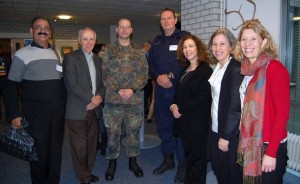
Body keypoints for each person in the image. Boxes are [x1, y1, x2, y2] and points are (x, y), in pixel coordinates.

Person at [6, 16, 66, 184]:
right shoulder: (21, 54)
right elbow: (10, 87)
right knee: (38, 151)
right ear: (31, 31)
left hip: (56, 111)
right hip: (35, 113)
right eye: (38, 27)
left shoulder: (55, 53)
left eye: (46, 27)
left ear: (50, 32)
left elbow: (59, 81)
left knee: (55, 150)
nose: (42, 30)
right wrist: (13, 114)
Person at [234, 19, 290, 184]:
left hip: (269, 144)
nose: (247, 44)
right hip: (251, 143)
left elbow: (282, 114)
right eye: (244, 39)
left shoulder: (274, 68)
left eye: (253, 39)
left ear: (264, 42)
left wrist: (271, 152)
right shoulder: (247, 70)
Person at [101, 18, 148, 181]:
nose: (124, 30)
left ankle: (133, 162)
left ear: (131, 30)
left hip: (133, 101)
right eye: (121, 27)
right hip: (113, 100)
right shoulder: (109, 50)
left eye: (127, 27)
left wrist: (132, 89)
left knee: (133, 134)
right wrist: (118, 89)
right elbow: (105, 74)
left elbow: (144, 74)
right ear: (117, 30)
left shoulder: (139, 51)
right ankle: (111, 163)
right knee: (112, 134)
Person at [148, 8, 189, 183]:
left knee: (179, 128)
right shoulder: (156, 41)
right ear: (160, 22)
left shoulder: (184, 37)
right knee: (164, 127)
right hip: (161, 91)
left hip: (178, 90)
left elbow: (186, 60)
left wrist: (170, 76)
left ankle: (182, 163)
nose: (166, 21)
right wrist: (158, 77)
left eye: (169, 18)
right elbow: (150, 64)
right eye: (163, 19)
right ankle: (168, 159)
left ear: (175, 19)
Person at [63, 27, 105, 184]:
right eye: (85, 39)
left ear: (95, 41)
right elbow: (71, 85)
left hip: (94, 110)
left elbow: (102, 83)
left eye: (92, 39)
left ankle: (87, 172)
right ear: (79, 40)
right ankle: (84, 177)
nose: (89, 42)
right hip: (77, 110)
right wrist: (92, 99)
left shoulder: (97, 59)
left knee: (91, 144)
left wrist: (99, 97)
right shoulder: (70, 58)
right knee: (79, 147)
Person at [170, 34, 212, 184]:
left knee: (198, 159)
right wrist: (173, 105)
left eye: (191, 46)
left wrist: (180, 109)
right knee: (189, 155)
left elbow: (203, 98)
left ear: (198, 48)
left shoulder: (206, 70)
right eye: (185, 47)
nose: (187, 50)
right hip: (185, 122)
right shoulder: (185, 70)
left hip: (197, 122)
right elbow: (178, 94)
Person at [208, 28, 243, 184]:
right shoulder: (218, 67)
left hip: (228, 133)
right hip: (216, 127)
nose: (217, 48)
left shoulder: (235, 69)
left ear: (231, 46)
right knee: (218, 167)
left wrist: (225, 136)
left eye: (222, 43)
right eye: (214, 44)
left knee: (230, 173)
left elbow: (235, 107)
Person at [92, 43, 108, 156]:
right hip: (94, 98)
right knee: (95, 123)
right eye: (103, 51)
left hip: (106, 98)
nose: (105, 53)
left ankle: (104, 145)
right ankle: (97, 144)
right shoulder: (94, 64)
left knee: (103, 124)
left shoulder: (107, 64)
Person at [142, 40, 154, 122]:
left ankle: (146, 111)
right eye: (150, 47)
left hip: (150, 79)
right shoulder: (141, 54)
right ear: (147, 46)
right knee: (144, 96)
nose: (151, 49)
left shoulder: (149, 55)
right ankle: (143, 112)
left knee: (149, 96)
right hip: (144, 79)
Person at [0, 48, 11, 121]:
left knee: (7, 102)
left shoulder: (6, 59)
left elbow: (10, 70)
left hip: (5, 84)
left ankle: (9, 118)